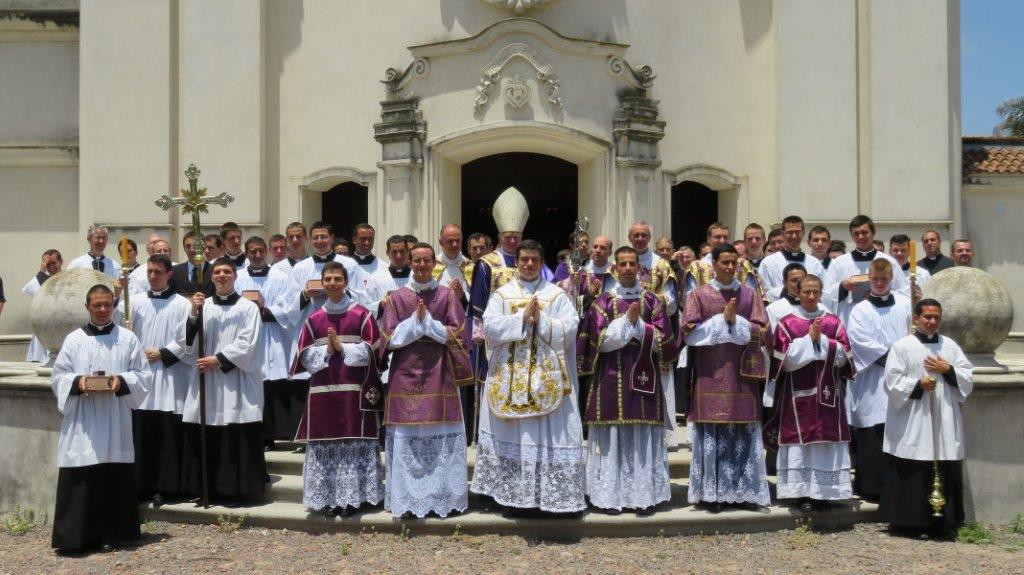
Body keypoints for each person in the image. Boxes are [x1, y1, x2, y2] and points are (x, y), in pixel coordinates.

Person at [470, 239, 585, 514]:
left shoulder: (556, 295)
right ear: (517, 262)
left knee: (549, 438)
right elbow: (491, 328)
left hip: (548, 380)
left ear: (541, 262)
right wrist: (523, 317)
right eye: (524, 260)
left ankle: (552, 500)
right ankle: (515, 500)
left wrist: (542, 321)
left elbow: (570, 330)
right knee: (515, 437)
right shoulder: (502, 294)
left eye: (534, 259)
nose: (529, 264)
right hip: (510, 379)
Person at [50, 284, 148, 554]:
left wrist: (121, 381)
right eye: (97, 305)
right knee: (82, 471)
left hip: (115, 417)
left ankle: (111, 534)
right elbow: (58, 376)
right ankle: (74, 537)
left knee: (112, 475)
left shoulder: (128, 339)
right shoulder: (74, 340)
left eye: (107, 304)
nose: (103, 310)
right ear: (87, 307)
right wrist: (79, 381)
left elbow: (143, 375)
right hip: (83, 418)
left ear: (114, 305)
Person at [578, 246, 675, 514]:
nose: (629, 268)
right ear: (615, 268)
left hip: (644, 377)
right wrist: (628, 324)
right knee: (613, 436)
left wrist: (638, 326)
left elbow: (665, 342)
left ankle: (643, 497)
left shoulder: (653, 301)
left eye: (633, 263)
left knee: (641, 435)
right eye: (623, 263)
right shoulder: (603, 302)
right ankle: (609, 498)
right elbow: (600, 344)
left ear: (639, 268)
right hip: (611, 377)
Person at [378, 243, 473, 518]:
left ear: (434, 263)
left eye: (426, 261)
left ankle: (441, 497)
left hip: (439, 372)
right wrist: (415, 324)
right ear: (410, 262)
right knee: (408, 438)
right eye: (416, 261)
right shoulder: (396, 298)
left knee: (440, 436)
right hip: (404, 374)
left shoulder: (447, 295)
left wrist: (427, 323)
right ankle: (409, 500)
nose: (421, 265)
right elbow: (389, 338)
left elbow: (459, 333)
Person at [291, 261, 384, 516]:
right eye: (328, 279)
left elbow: (374, 352)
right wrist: (328, 349)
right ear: (322, 283)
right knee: (326, 443)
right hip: (324, 391)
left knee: (353, 440)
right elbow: (304, 357)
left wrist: (343, 348)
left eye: (337, 279)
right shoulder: (314, 319)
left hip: (354, 391)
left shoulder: (361, 314)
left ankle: (354, 499)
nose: (332, 284)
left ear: (346, 282)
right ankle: (328, 499)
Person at [682, 243, 770, 512]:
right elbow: (689, 332)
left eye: (734, 262)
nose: (730, 267)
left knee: (744, 429)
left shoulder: (750, 294)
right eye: (725, 263)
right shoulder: (698, 295)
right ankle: (713, 494)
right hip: (710, 373)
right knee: (713, 431)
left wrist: (736, 322)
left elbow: (764, 329)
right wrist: (723, 321)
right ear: (714, 265)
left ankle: (745, 492)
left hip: (742, 374)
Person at [881, 298, 973, 536]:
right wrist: (919, 383)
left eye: (936, 317)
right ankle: (909, 523)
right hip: (914, 416)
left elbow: (966, 377)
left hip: (944, 414)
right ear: (916, 318)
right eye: (927, 317)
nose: (932, 321)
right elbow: (892, 382)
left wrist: (948, 370)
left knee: (944, 460)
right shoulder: (903, 346)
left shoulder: (950, 346)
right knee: (912, 463)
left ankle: (943, 523)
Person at [180, 258, 267, 504]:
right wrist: (194, 314)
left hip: (236, 380)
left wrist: (218, 359)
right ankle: (208, 489)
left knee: (235, 428)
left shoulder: (247, 308)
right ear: (211, 277)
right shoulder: (203, 306)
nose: (221, 276)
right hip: (207, 380)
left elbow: (248, 342)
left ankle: (237, 490)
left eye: (226, 272)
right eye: (217, 272)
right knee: (207, 429)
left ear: (235, 276)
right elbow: (188, 343)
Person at [763, 274, 853, 511]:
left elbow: (845, 358)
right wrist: (808, 342)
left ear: (821, 293)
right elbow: (784, 362)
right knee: (801, 441)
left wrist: (822, 341)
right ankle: (801, 492)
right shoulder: (787, 323)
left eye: (815, 292)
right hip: (797, 396)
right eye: (806, 292)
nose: (811, 296)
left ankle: (825, 492)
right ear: (798, 293)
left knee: (825, 439)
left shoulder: (833, 322)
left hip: (828, 395)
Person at [128, 254, 192, 506]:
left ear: (169, 274)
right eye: (150, 272)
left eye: (157, 272)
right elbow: (123, 333)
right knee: (143, 432)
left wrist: (163, 352)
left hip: (170, 376)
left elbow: (189, 339)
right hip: (142, 376)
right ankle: (141, 485)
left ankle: (165, 487)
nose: (153, 276)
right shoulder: (134, 302)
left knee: (167, 432)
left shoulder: (182, 305)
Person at [845, 258, 910, 502]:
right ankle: (871, 487)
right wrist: (895, 357)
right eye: (875, 279)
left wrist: (903, 360)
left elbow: (912, 337)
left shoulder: (905, 305)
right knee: (873, 432)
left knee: (899, 430)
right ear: (869, 280)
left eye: (884, 279)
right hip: (872, 379)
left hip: (902, 377)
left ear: (891, 279)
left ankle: (898, 488)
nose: (880, 283)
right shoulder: (860, 310)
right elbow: (859, 341)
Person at [235, 237, 296, 450]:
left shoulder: (280, 276)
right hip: (247, 335)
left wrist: (264, 310)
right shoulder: (238, 277)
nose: (257, 255)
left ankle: (274, 433)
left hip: (273, 334)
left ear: (267, 252)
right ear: (247, 253)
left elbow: (288, 306)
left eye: (261, 251)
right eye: (253, 252)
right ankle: (257, 434)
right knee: (251, 384)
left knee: (273, 385)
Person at [627, 220, 682, 447]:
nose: (640, 239)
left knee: (659, 383)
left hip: (654, 332)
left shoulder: (661, 264)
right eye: (636, 235)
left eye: (644, 235)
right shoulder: (622, 261)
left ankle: (660, 435)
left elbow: (672, 301)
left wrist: (651, 302)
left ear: (649, 238)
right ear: (629, 238)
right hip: (626, 333)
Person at [824, 215, 908, 325]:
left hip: (881, 317)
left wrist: (879, 293)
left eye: (865, 232)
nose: (861, 236)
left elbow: (903, 292)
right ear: (851, 235)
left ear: (873, 233)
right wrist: (842, 287)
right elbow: (826, 294)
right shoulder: (839, 263)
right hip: (849, 319)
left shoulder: (889, 262)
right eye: (856, 233)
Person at [757, 215, 825, 292]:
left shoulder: (814, 263)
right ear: (782, 234)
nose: (794, 236)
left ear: (803, 233)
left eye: (797, 232)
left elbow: (825, 292)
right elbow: (763, 293)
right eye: (789, 232)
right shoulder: (768, 263)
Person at [23, 249, 63, 363]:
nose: (50, 267)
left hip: (62, 326)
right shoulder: (41, 279)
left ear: (61, 262)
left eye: (53, 263)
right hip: (44, 327)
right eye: (47, 264)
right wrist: (42, 270)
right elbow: (35, 292)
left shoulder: (68, 279)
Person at [364, 235, 413, 318]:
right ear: (387, 253)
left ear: (408, 251)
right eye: (394, 252)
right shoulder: (375, 279)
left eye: (402, 251)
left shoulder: (417, 277)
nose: (399, 256)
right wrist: (381, 304)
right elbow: (365, 307)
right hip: (385, 328)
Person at [432, 223, 472, 299]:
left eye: (457, 240)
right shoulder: (431, 266)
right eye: (450, 241)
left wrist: (462, 295)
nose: (454, 244)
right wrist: (446, 294)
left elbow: (477, 299)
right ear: (441, 242)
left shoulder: (470, 266)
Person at [169, 231, 214, 296]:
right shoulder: (174, 271)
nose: (191, 249)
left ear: (204, 247)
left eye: (195, 245)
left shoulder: (214, 270)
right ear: (184, 249)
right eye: (188, 246)